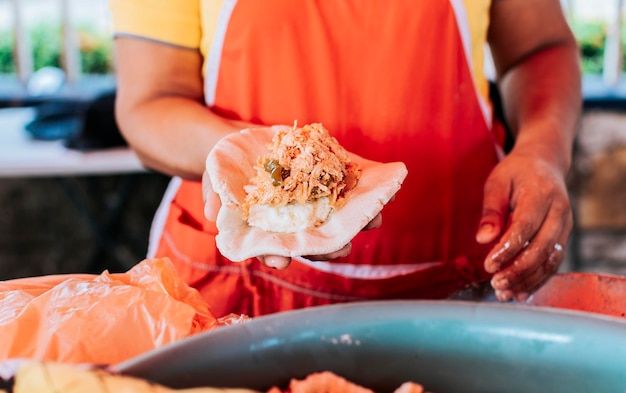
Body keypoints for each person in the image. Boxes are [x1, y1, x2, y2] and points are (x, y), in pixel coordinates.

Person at [109, 0, 581, 317]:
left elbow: (538, 48)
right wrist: (244, 156)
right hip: (240, 283)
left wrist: (543, 150)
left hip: (452, 280)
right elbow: (150, 101)